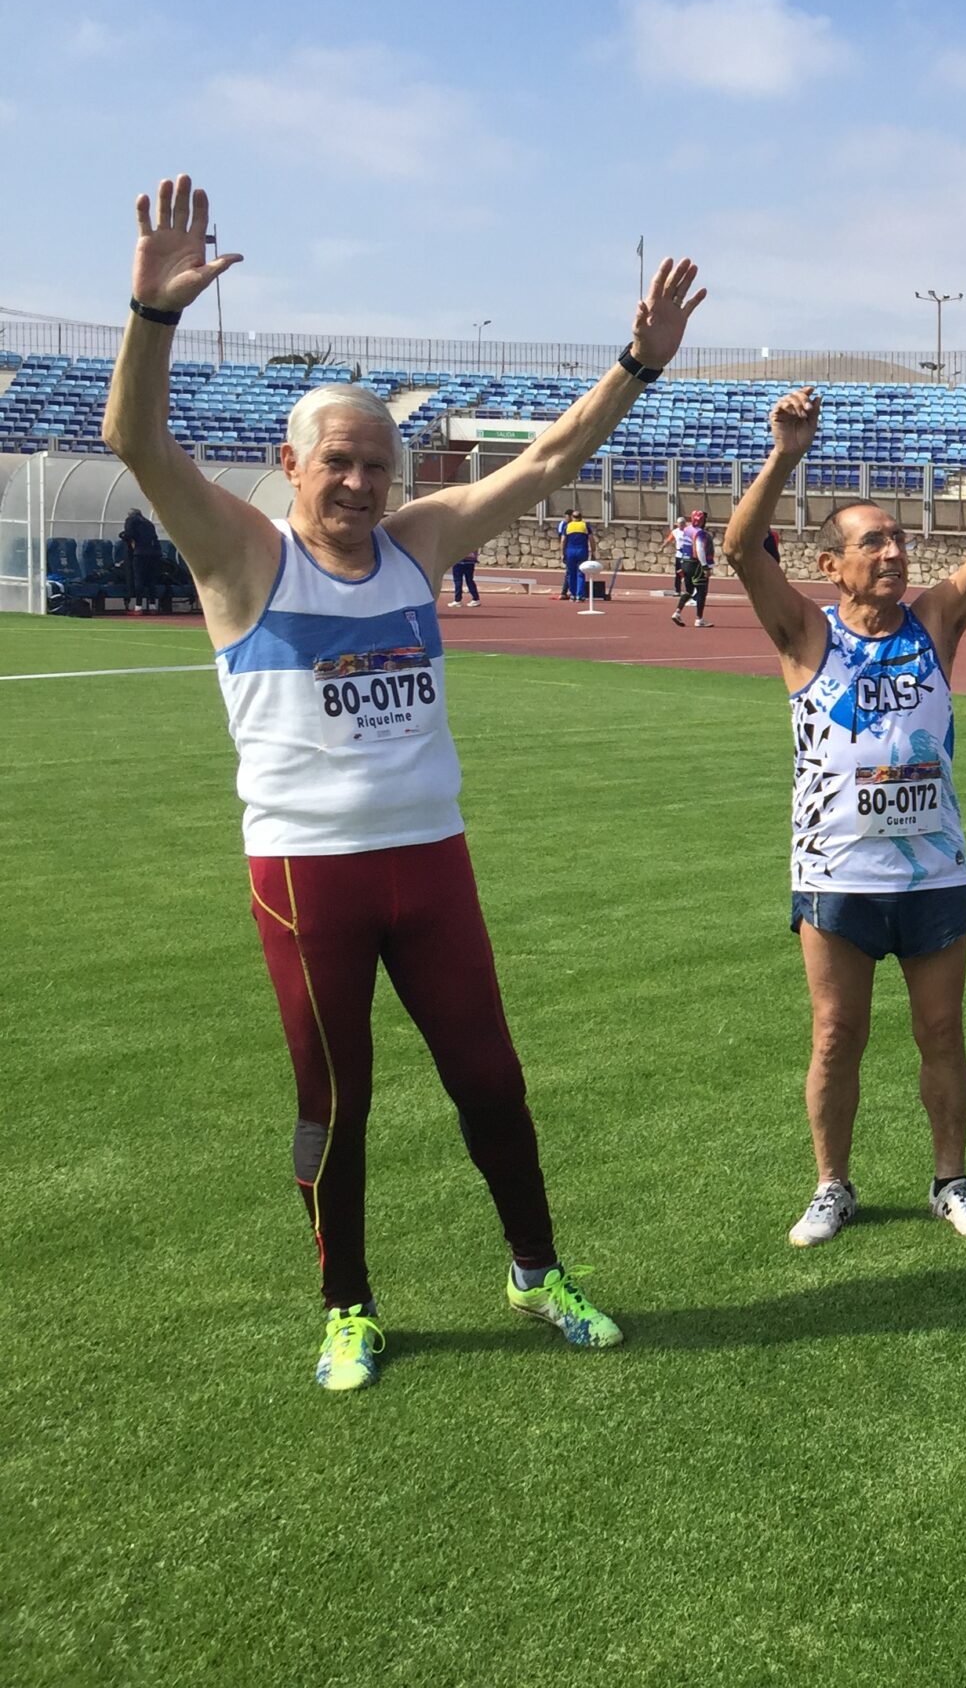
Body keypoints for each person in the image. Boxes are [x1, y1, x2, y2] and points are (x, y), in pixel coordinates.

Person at [101, 173, 708, 1392]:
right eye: (341, 463)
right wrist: (152, 320)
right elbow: (136, 441)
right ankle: (348, 1305)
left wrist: (636, 369)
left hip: (432, 864)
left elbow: (544, 460)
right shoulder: (241, 553)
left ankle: (536, 1270)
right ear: (292, 462)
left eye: (380, 465)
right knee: (337, 1098)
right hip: (305, 875)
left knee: (491, 1076)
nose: (365, 485)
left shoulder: (418, 544)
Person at [726, 384, 966, 1249]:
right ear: (832, 565)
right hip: (837, 872)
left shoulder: (936, 621)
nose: (895, 552)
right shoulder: (805, 635)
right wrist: (786, 454)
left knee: (941, 1029)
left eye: (900, 538)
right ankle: (832, 1184)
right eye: (873, 542)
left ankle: (952, 1178)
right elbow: (738, 549)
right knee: (837, 1035)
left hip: (934, 868)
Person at [669, 509, 713, 626]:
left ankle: (677, 612)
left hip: (685, 562)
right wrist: (705, 567)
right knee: (702, 591)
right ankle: (699, 619)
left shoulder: (686, 530)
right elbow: (699, 549)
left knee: (689, 590)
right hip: (696, 564)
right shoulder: (700, 533)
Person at [119, 505, 164, 614]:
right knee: (151, 580)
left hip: (140, 553)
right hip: (154, 554)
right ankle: (153, 606)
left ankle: (138, 607)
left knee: (138, 579)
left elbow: (129, 534)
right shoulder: (149, 523)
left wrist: (122, 535)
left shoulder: (131, 520)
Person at [557, 508, 593, 600]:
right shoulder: (585, 526)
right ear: (581, 517)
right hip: (582, 551)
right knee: (581, 573)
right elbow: (591, 539)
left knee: (571, 574)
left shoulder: (567, 526)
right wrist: (593, 551)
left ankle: (572, 594)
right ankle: (579, 595)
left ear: (572, 517)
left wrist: (562, 553)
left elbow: (563, 541)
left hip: (570, 551)